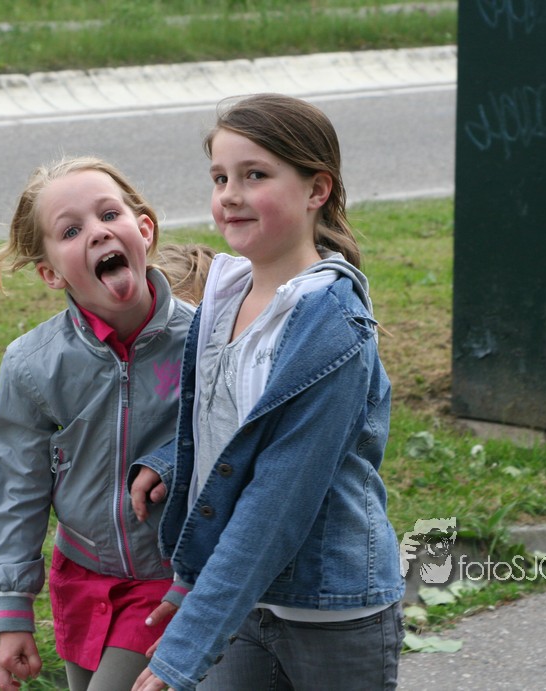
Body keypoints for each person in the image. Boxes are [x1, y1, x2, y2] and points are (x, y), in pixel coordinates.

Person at [130, 93, 406, 691]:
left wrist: (187, 644)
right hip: (241, 598)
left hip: (328, 608)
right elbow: (230, 423)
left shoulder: (330, 322)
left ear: (316, 190)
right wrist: (172, 462)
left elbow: (278, 498)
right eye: (220, 177)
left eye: (254, 175)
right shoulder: (224, 296)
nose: (230, 194)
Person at [0, 156, 194, 691]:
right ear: (51, 273)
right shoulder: (33, 365)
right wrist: (12, 610)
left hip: (170, 579)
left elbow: (236, 442)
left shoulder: (205, 342)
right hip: (82, 579)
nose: (97, 232)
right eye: (71, 231)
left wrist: (171, 460)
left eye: (109, 214)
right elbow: (13, 484)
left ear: (144, 230)